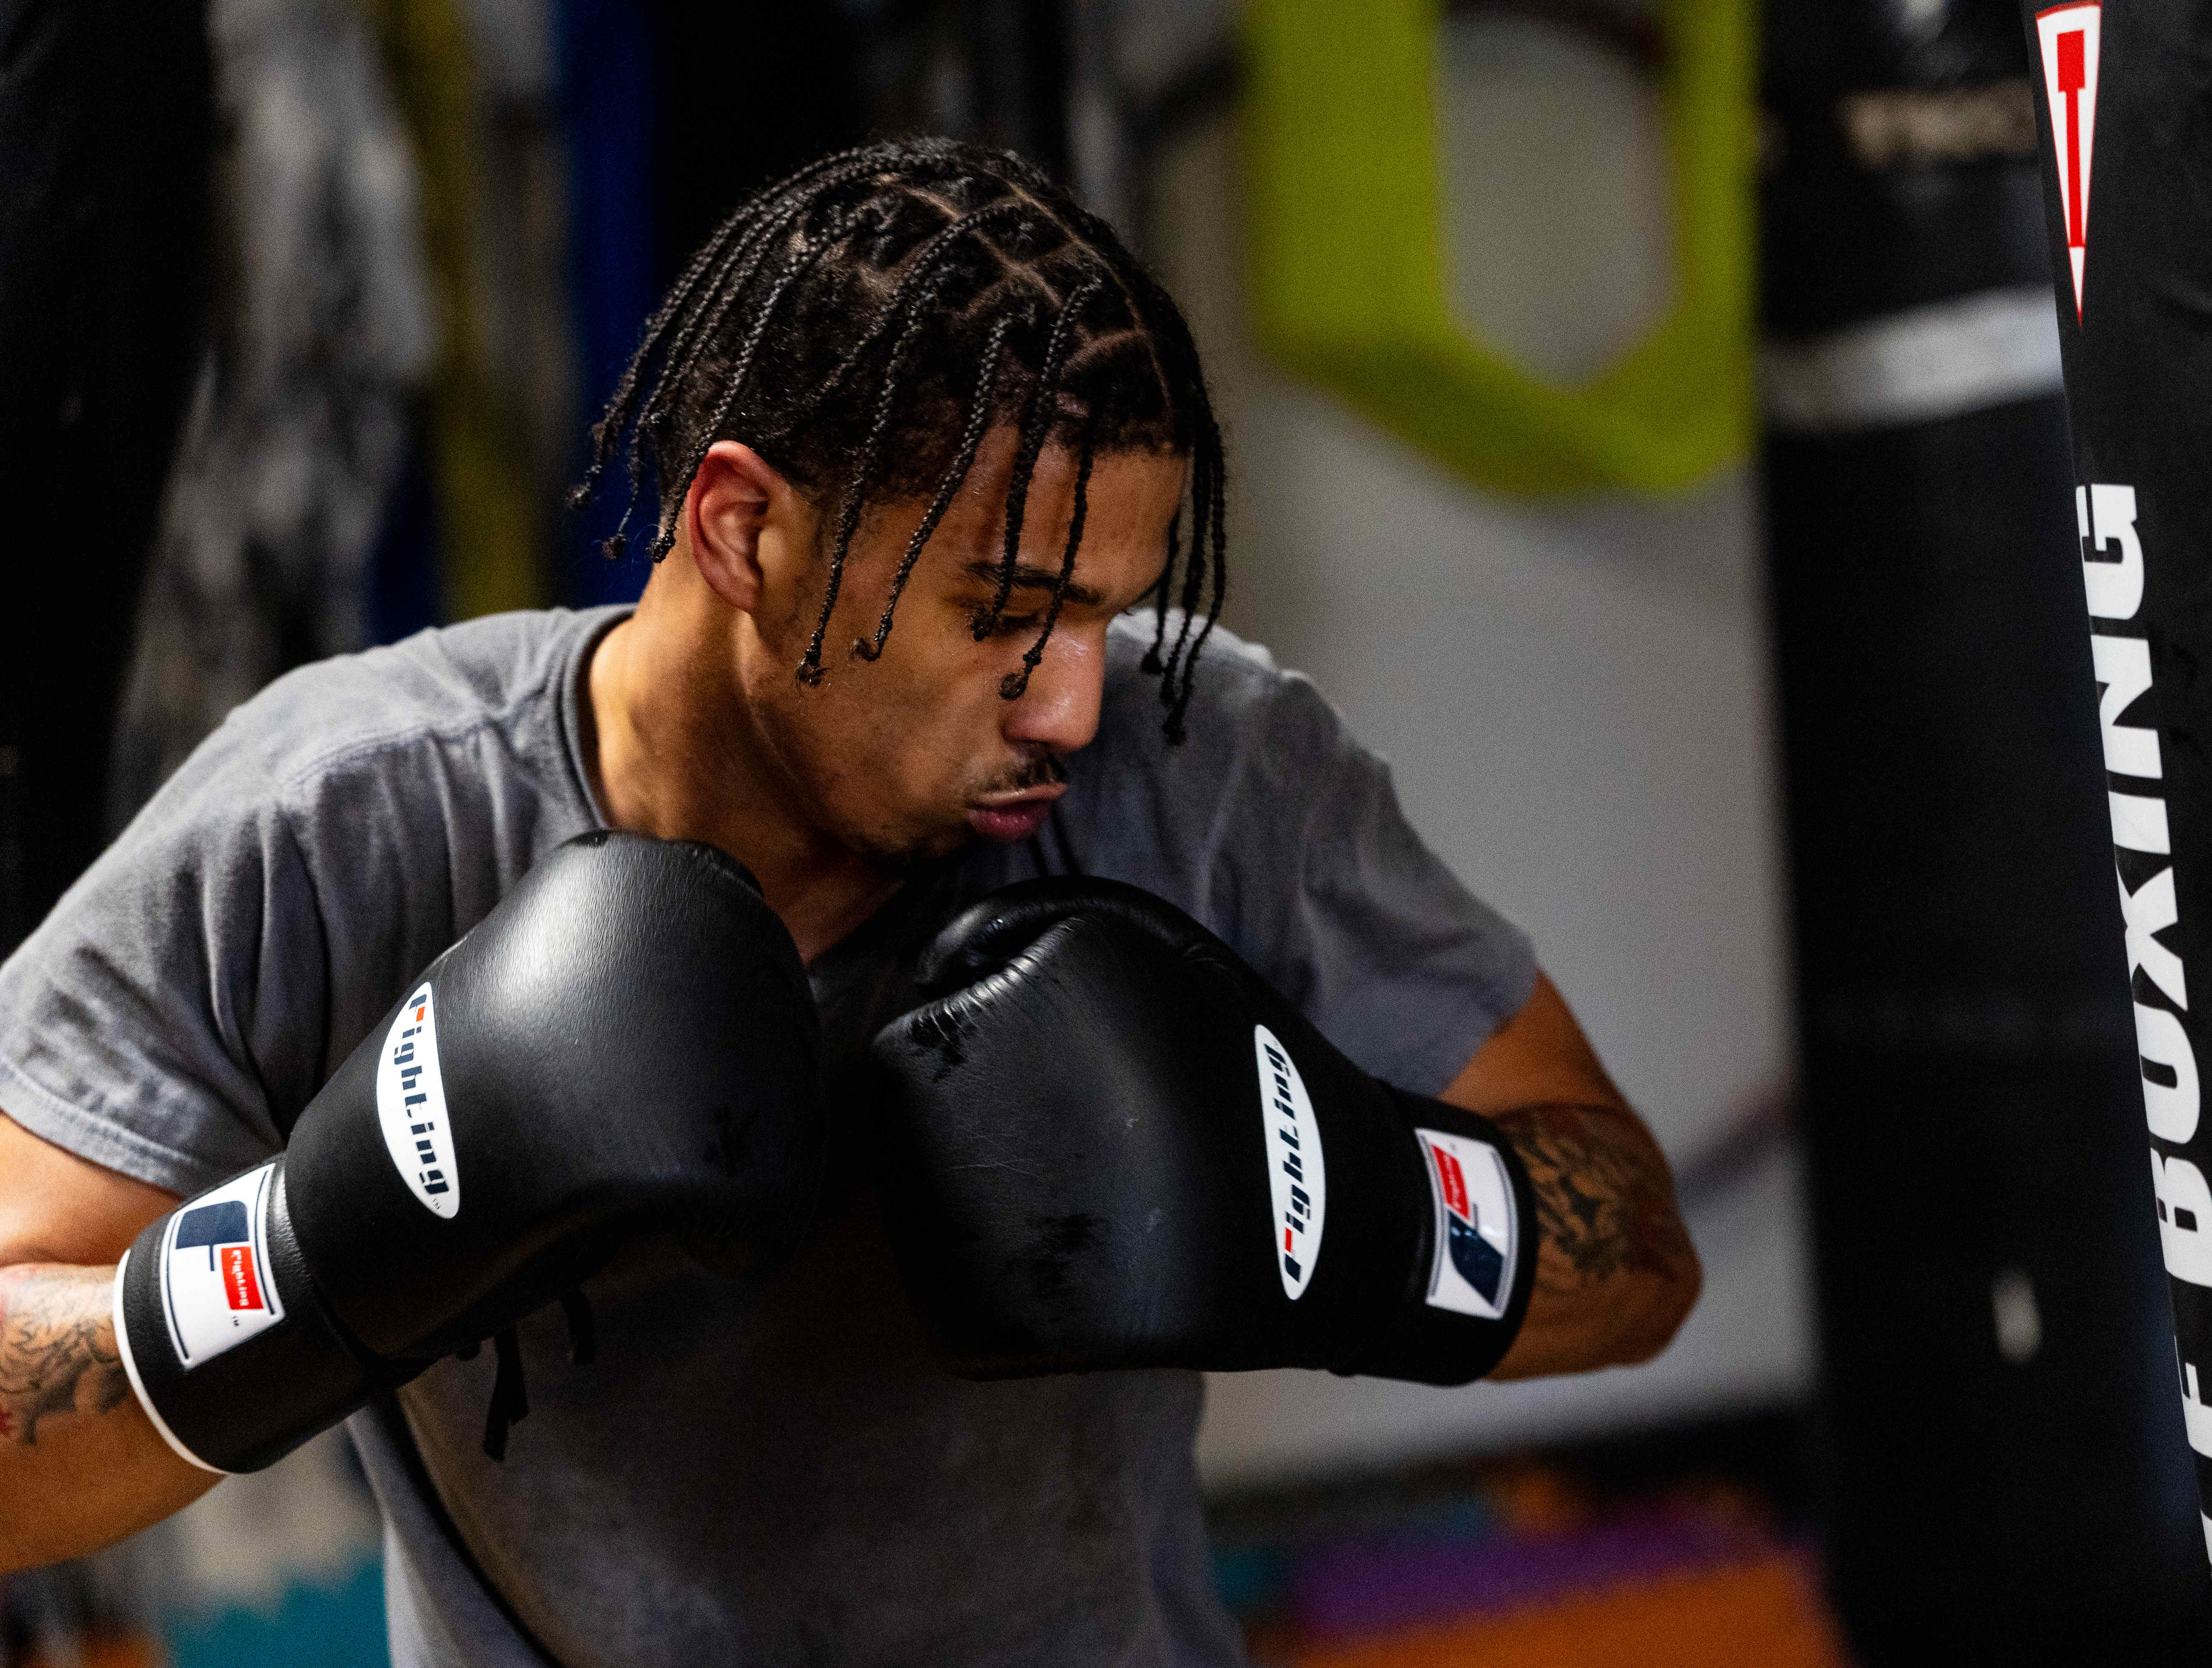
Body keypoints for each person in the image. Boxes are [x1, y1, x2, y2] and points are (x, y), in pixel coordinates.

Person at [0, 140, 1700, 1665]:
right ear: (745, 528)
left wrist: (1366, 1219)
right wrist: (325, 1260)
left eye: (1114, 612)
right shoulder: (344, 817)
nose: (1076, 705)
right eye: (1009, 612)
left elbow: (1638, 1248)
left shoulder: (1210, 766)